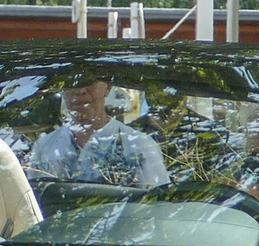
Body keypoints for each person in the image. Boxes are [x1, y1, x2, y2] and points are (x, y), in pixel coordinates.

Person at [28, 80, 170, 187]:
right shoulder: (45, 147)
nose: (80, 91)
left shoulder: (138, 145)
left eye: (89, 82)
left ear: (107, 88)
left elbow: (155, 206)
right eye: (72, 83)